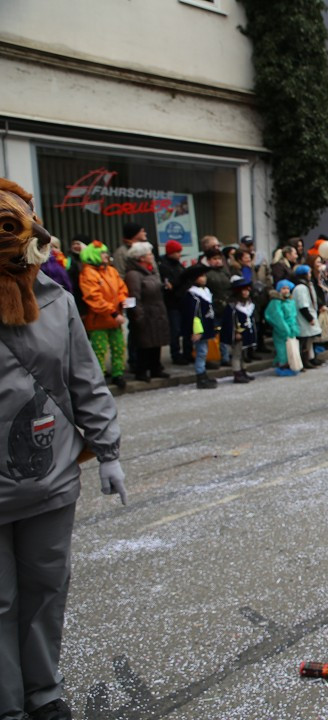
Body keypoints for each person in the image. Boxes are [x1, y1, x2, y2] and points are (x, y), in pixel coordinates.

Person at [0, 177, 126, 720]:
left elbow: (85, 380)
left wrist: (109, 451)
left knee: (45, 591)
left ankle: (43, 693)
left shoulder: (56, 300)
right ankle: (7, 704)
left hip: (50, 479)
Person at [78, 241, 129, 391]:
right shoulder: (88, 273)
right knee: (99, 350)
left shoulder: (111, 271)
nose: (106, 255)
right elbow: (93, 298)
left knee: (119, 347)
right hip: (99, 321)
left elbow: (121, 288)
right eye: (103, 253)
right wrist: (112, 312)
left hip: (115, 319)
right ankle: (100, 376)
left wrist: (123, 300)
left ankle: (118, 373)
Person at [123, 241, 170, 382]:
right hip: (145, 312)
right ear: (141, 257)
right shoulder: (133, 275)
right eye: (149, 254)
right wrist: (138, 315)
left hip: (157, 311)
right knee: (143, 343)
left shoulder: (151, 271)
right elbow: (134, 296)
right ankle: (141, 370)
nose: (152, 256)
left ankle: (156, 368)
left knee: (156, 342)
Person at [179, 264, 218, 389]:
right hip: (199, 329)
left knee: (204, 351)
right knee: (201, 352)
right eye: (201, 276)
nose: (204, 278)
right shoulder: (193, 295)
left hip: (205, 326)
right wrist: (196, 330)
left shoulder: (205, 292)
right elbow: (194, 315)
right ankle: (200, 376)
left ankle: (203, 374)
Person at [221, 275, 257, 384]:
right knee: (236, 354)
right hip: (238, 334)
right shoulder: (233, 306)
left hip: (246, 333)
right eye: (243, 290)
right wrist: (235, 332)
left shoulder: (249, 304)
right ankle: (237, 373)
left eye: (247, 290)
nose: (246, 293)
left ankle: (243, 370)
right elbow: (229, 322)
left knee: (243, 353)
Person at [158, 240, 189, 365]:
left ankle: (187, 352)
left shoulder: (178, 265)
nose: (179, 255)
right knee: (175, 330)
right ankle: (175, 354)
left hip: (182, 301)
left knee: (184, 328)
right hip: (172, 303)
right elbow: (169, 285)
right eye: (177, 252)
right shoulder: (164, 266)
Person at [264, 279, 300, 377]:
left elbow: (293, 315)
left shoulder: (290, 300)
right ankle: (283, 366)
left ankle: (291, 364)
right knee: (282, 349)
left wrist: (294, 327)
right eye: (283, 288)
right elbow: (276, 316)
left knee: (291, 348)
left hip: (291, 328)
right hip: (282, 330)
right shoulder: (276, 301)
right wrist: (284, 328)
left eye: (287, 288)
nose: (286, 291)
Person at [291, 264, 323, 370]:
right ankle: (305, 360)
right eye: (308, 273)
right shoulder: (301, 288)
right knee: (305, 341)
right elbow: (302, 305)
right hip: (304, 318)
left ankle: (311, 358)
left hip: (309, 315)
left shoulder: (307, 285)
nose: (310, 275)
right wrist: (310, 318)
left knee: (310, 340)